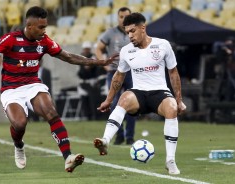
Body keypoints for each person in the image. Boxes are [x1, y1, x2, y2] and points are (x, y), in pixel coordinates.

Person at [0, 6, 117, 172]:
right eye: (41, 27)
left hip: (33, 85)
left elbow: (68, 56)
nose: (44, 30)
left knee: (51, 112)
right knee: (20, 124)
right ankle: (19, 145)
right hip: (11, 89)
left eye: (46, 26)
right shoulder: (11, 39)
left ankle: (68, 157)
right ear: (29, 26)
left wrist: (98, 62)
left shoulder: (44, 41)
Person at [93, 13, 186, 175]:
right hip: (139, 93)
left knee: (171, 107)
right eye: (127, 32)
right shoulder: (126, 51)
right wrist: (108, 100)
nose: (129, 36)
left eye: (132, 31)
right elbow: (118, 76)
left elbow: (173, 73)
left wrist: (179, 100)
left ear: (143, 28)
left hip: (159, 93)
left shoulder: (162, 45)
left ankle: (170, 160)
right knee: (123, 98)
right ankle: (105, 140)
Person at [95, 7, 136, 145]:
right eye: (121, 16)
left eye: (126, 16)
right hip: (114, 72)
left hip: (131, 72)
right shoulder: (110, 33)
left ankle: (130, 136)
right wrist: (104, 64)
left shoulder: (135, 32)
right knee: (113, 104)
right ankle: (119, 135)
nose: (124, 19)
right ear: (117, 18)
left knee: (132, 104)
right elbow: (98, 48)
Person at [77, 41, 102, 120]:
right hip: (83, 82)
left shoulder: (92, 57)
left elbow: (88, 67)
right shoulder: (80, 57)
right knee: (84, 100)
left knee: (93, 99)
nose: (86, 51)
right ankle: (87, 116)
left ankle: (94, 116)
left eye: (87, 49)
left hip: (91, 82)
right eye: (85, 49)